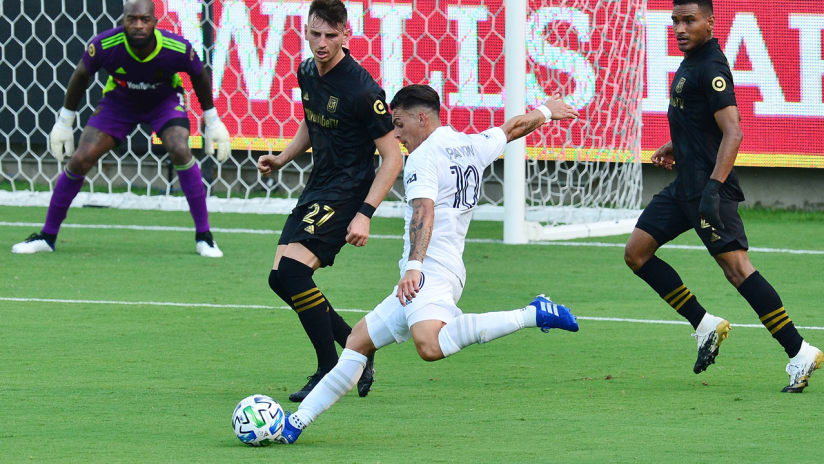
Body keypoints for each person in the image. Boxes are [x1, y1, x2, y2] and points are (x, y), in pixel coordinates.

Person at [274, 83, 580, 444]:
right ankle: (297, 423)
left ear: (421, 118)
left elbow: (424, 212)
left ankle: (532, 314)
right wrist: (545, 111)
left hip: (429, 271)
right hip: (446, 269)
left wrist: (413, 268)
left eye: (400, 124)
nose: (396, 134)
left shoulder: (423, 157)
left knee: (430, 346)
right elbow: (512, 129)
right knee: (357, 342)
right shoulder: (471, 143)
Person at [624, 0, 822, 392]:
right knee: (637, 253)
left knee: (738, 270)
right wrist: (675, 144)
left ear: (710, 22)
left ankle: (800, 352)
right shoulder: (692, 60)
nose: (680, 28)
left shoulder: (712, 67)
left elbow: (734, 132)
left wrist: (713, 190)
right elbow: (700, 122)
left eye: (689, 20)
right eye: (676, 21)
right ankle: (705, 324)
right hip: (685, 186)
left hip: (708, 188)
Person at [256, 0, 403, 402]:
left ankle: (329, 368)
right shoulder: (306, 70)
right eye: (315, 34)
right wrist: (284, 157)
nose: (321, 44)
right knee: (279, 278)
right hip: (319, 183)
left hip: (348, 191)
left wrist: (365, 214)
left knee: (293, 273)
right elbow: (311, 118)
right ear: (306, 30)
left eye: (330, 36)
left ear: (345, 35)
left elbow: (393, 157)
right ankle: (359, 347)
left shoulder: (362, 89)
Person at [11, 0, 230, 258]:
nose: (139, 25)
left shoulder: (176, 47)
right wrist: (64, 122)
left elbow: (200, 75)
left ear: (155, 22)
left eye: (145, 20)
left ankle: (204, 236)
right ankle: (47, 237)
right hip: (120, 102)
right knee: (81, 158)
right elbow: (81, 75)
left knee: (181, 149)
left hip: (164, 101)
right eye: (132, 19)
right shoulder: (104, 45)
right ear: (123, 20)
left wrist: (213, 121)